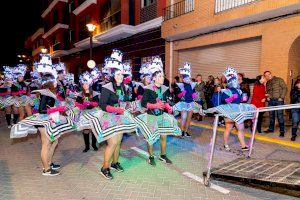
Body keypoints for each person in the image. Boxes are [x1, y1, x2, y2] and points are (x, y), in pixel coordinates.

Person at [135, 59, 181, 166]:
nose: (162, 78)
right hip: (151, 117)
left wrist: (168, 107)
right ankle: (151, 156)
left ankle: (163, 155)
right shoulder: (148, 89)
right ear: (154, 78)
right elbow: (143, 104)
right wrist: (154, 105)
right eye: (159, 76)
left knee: (163, 136)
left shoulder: (164, 89)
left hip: (162, 116)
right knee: (150, 137)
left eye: (163, 76)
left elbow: (165, 102)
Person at [173, 62, 201, 138]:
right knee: (184, 118)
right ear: (183, 78)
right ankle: (181, 131)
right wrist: (182, 93)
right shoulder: (180, 85)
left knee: (189, 118)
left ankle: (186, 131)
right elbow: (178, 96)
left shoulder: (192, 85)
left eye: (188, 77)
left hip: (191, 103)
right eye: (185, 77)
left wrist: (195, 95)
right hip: (183, 103)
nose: (187, 79)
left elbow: (194, 95)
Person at [76, 72, 99, 152]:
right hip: (84, 113)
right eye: (83, 84)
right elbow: (77, 104)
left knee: (93, 129)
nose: (85, 85)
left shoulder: (94, 93)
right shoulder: (80, 94)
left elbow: (97, 103)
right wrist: (82, 105)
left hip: (93, 113)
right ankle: (87, 146)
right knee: (86, 130)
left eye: (86, 84)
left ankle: (94, 144)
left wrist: (90, 103)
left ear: (89, 84)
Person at [264, 71, 287, 137]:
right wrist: (268, 97)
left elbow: (284, 88)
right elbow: (268, 91)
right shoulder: (267, 82)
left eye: (268, 74)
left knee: (280, 116)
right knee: (271, 116)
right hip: (271, 101)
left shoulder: (279, 79)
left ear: (271, 74)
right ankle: (271, 129)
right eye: (266, 75)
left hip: (279, 101)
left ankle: (282, 131)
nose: (267, 76)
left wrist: (281, 97)